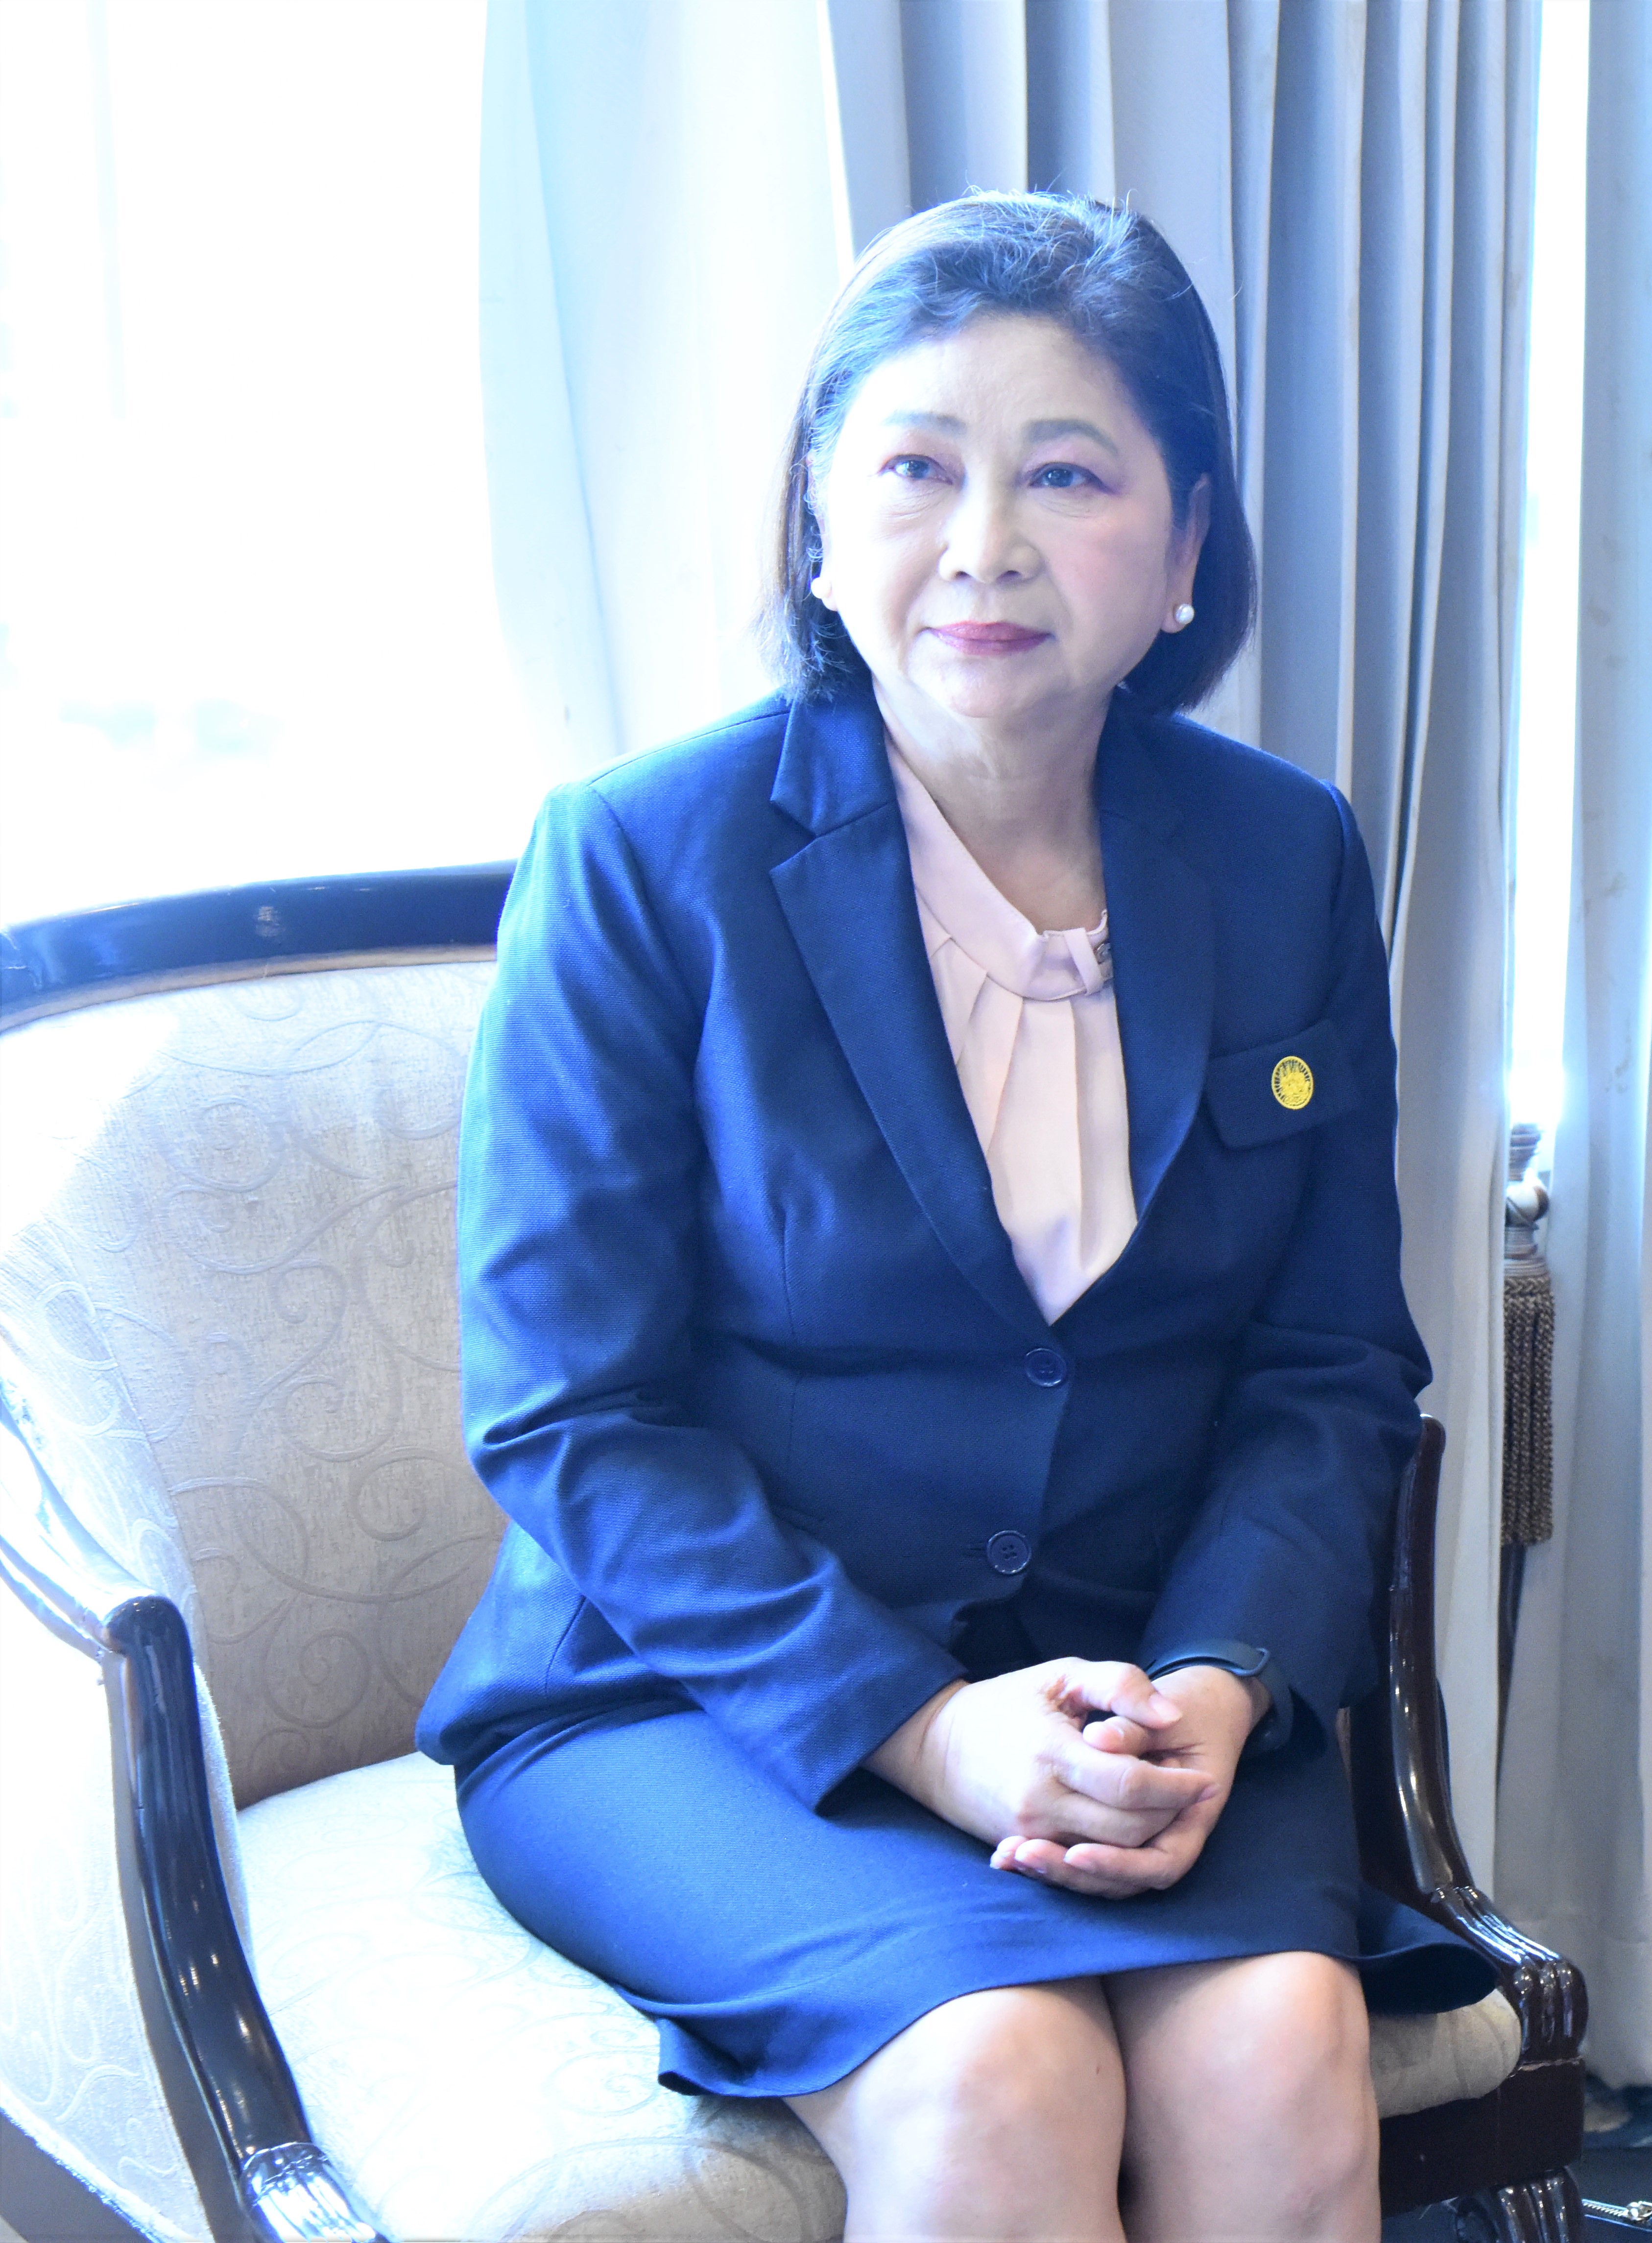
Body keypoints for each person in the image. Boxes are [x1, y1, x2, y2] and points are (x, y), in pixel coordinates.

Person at [417, 193, 1490, 2243]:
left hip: (1133, 1690)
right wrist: (918, 1723)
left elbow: (1329, 1363)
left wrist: (1221, 1679)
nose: (985, 541)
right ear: (821, 527)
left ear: (1184, 547)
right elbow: (570, 1416)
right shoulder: (643, 858)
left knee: (1276, 2047)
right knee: (1000, 2065)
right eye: (916, 467)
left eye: (1066, 476)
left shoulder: (1283, 857)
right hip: (707, 1695)